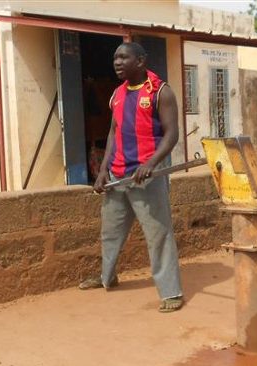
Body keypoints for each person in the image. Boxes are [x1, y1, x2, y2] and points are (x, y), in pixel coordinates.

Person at [78, 42, 184, 313]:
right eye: (115, 57)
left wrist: (151, 163)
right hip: (117, 175)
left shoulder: (161, 91)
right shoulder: (117, 94)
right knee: (110, 232)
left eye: (124, 57)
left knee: (158, 234)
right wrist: (102, 170)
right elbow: (114, 132)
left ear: (141, 60)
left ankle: (171, 292)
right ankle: (107, 277)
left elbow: (172, 134)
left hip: (145, 177)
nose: (117, 62)